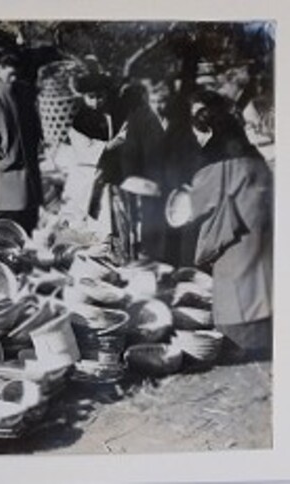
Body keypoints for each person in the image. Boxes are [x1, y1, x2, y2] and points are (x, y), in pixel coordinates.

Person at [166, 90, 273, 361]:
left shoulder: (217, 164)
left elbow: (194, 205)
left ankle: (240, 343)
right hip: (262, 231)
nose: (198, 139)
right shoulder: (252, 154)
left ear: (210, 131)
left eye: (199, 134)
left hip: (239, 242)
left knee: (235, 285)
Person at [120, 78, 199, 264]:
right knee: (154, 247)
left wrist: (191, 186)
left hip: (180, 193)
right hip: (152, 193)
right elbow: (129, 158)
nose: (158, 106)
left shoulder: (184, 119)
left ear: (171, 98)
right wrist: (139, 183)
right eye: (154, 101)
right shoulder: (138, 119)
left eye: (163, 101)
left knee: (181, 245)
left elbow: (194, 154)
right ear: (147, 98)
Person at [0, 54, 43, 235]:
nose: (13, 79)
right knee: (9, 220)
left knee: (30, 215)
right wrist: (1, 153)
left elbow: (33, 119)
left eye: (16, 75)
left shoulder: (23, 90)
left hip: (27, 163)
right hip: (6, 167)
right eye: (10, 74)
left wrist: (36, 142)